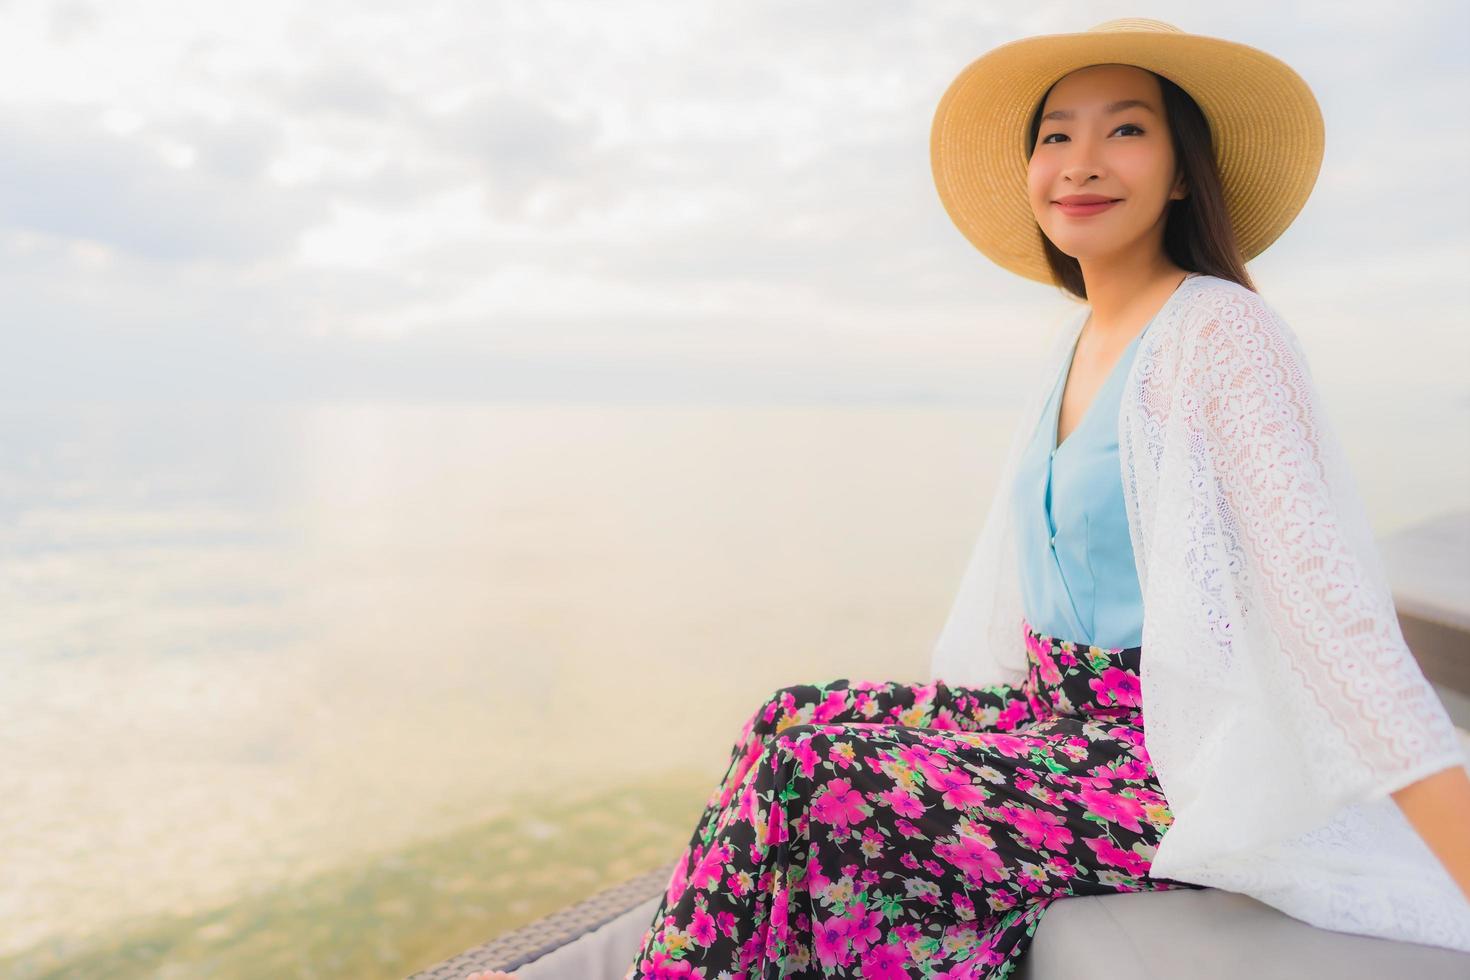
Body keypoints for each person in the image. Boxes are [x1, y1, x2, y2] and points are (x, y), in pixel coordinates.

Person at [475, 17, 1470, 980]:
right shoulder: (1076, 346)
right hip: (1049, 720)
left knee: (810, 771)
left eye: (1125, 128)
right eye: (1055, 135)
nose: (1081, 161)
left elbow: (1334, 621)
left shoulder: (1219, 335)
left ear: (1180, 173)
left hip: (1162, 768)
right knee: (787, 717)